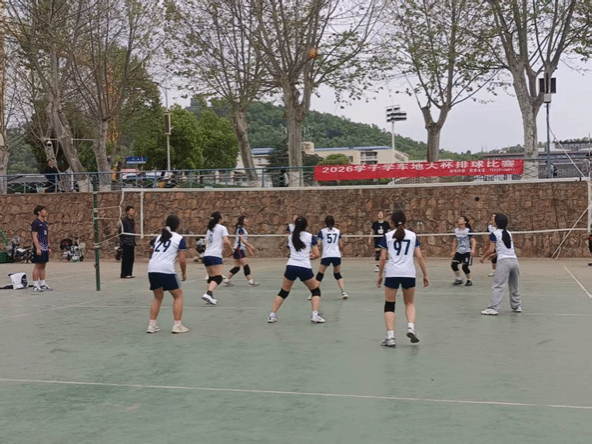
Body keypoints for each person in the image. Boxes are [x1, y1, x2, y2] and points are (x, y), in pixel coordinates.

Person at [377, 210, 428, 347]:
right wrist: (425, 274)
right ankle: (411, 327)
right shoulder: (412, 236)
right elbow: (419, 256)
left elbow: (383, 258)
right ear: (405, 221)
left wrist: (380, 275)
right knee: (409, 303)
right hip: (409, 273)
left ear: (392, 222)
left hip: (392, 273)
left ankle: (390, 337)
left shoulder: (387, 236)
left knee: (389, 305)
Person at [267, 216, 325, 324]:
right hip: (304, 267)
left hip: (291, 266)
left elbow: (292, 250)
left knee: (284, 291)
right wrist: (310, 257)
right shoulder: (310, 237)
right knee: (315, 291)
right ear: (306, 225)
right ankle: (315, 315)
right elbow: (317, 254)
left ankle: (272, 315)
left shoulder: (290, 237)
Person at [146, 215, 189, 334]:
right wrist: (184, 273)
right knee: (178, 296)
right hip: (166, 270)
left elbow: (152, 253)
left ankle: (152, 325)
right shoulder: (179, 238)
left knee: (157, 297)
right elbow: (182, 260)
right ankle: (177, 325)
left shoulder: (159, 237)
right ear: (177, 225)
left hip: (152, 269)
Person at [480, 213, 522, 315]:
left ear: (497, 222)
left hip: (504, 262)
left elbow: (491, 249)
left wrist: (483, 257)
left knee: (498, 285)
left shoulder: (494, 233)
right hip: (514, 261)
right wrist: (496, 254)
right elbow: (506, 248)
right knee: (514, 285)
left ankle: (494, 308)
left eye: (494, 219)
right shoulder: (509, 233)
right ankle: (517, 306)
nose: (492, 221)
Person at [202, 212, 232, 305]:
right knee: (218, 277)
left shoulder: (209, 229)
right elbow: (226, 241)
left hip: (207, 255)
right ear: (219, 219)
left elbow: (206, 243)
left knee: (211, 278)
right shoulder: (222, 228)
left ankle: (210, 296)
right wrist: (231, 250)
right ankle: (208, 293)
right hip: (215, 255)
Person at [315, 215, 348, 299]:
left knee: (320, 274)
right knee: (337, 274)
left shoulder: (322, 231)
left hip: (326, 255)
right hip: (336, 255)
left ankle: (314, 293)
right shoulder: (338, 231)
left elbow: (318, 244)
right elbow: (341, 244)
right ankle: (343, 292)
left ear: (325, 223)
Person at [223, 215, 259, 287]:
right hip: (238, 249)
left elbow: (245, 241)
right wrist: (250, 246)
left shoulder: (243, 229)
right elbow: (243, 240)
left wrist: (249, 249)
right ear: (242, 221)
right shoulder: (240, 229)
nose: (247, 220)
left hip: (239, 249)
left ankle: (226, 280)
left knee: (237, 267)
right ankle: (250, 282)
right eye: (245, 219)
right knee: (245, 265)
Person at [31, 205, 52, 292]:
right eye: (43, 210)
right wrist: (37, 248)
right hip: (39, 247)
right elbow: (34, 236)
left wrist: (49, 247)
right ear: (39, 212)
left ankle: (42, 284)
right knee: (37, 265)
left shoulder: (45, 223)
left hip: (45, 247)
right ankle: (35, 285)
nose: (45, 211)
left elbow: (46, 236)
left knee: (43, 265)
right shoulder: (35, 223)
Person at [451, 216, 476, 286]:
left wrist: (473, 249)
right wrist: (453, 251)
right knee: (454, 265)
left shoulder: (468, 230)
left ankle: (469, 280)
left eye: (461, 219)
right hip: (459, 251)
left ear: (465, 222)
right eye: (459, 219)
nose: (459, 220)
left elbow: (473, 240)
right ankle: (459, 279)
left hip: (467, 251)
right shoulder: (456, 230)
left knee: (464, 267)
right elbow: (454, 242)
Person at [119, 206, 136, 278]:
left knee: (131, 258)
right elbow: (120, 231)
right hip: (126, 242)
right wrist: (123, 241)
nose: (133, 212)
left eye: (133, 210)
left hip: (132, 242)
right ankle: (124, 274)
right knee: (126, 258)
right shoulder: (124, 220)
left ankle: (129, 273)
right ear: (128, 212)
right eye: (131, 210)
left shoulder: (132, 220)